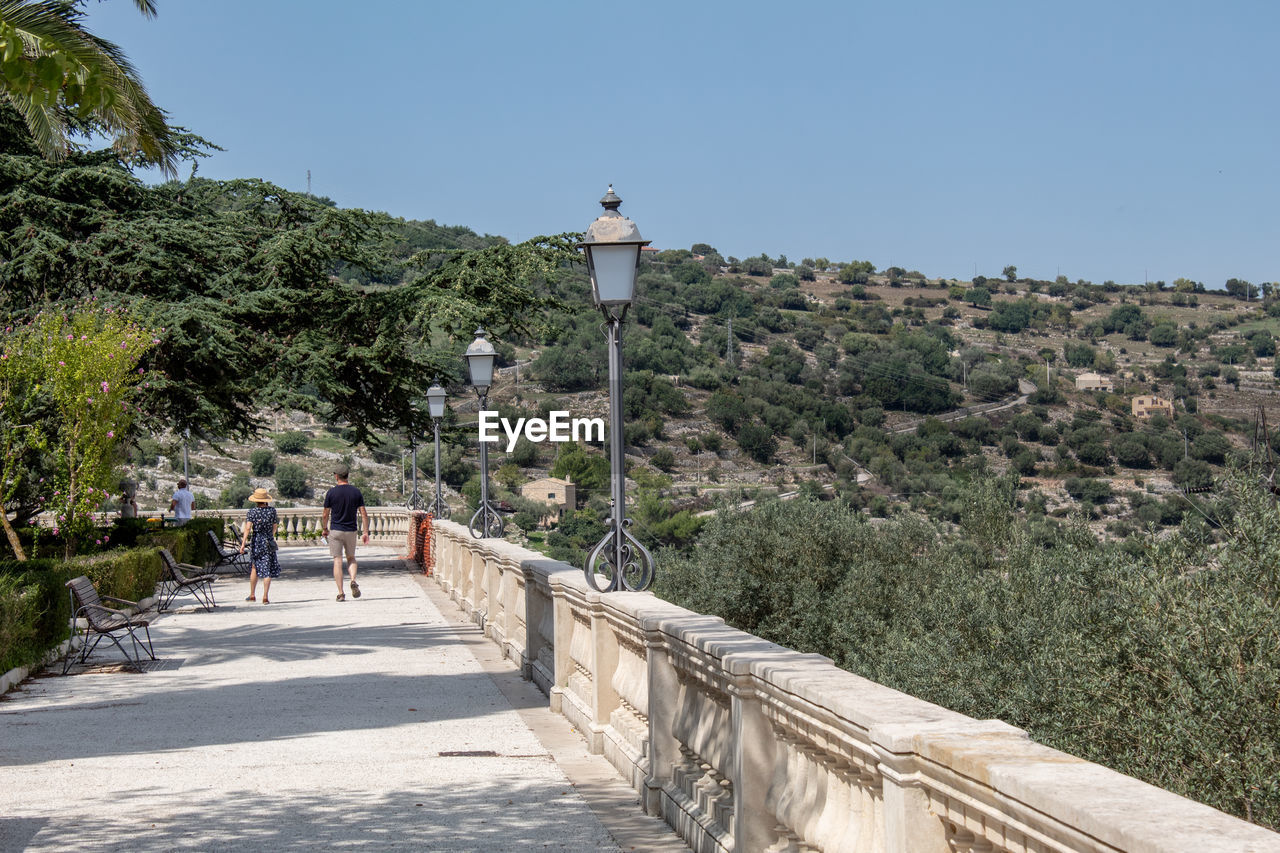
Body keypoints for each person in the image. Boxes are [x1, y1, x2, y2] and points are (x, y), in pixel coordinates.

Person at [321, 466, 368, 602]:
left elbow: (325, 514)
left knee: (337, 560)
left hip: (336, 529)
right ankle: (353, 580)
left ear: (336, 476)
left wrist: (325, 528)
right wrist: (365, 531)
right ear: (347, 475)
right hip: (351, 530)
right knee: (351, 558)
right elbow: (363, 513)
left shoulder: (331, 493)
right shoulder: (356, 492)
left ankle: (341, 593)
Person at [239, 487, 280, 604]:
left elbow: (247, 528)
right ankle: (265, 596)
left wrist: (243, 544)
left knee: (254, 567)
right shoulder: (272, 511)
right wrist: (270, 535)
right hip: (268, 541)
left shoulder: (252, 512)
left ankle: (252, 595)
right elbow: (275, 526)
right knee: (267, 568)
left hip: (257, 541)